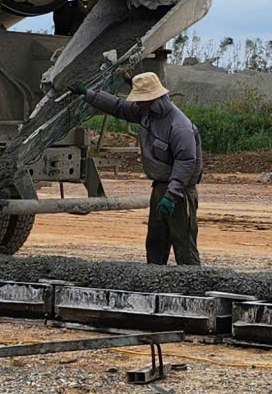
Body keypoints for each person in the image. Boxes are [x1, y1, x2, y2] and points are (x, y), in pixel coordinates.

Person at [82, 70, 203, 265]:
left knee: (184, 246)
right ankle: (155, 284)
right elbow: (119, 107)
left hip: (180, 192)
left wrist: (171, 196)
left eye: (141, 101)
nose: (138, 104)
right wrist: (88, 94)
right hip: (160, 187)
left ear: (155, 99)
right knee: (156, 243)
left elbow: (186, 162)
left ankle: (191, 288)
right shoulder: (146, 113)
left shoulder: (179, 126)